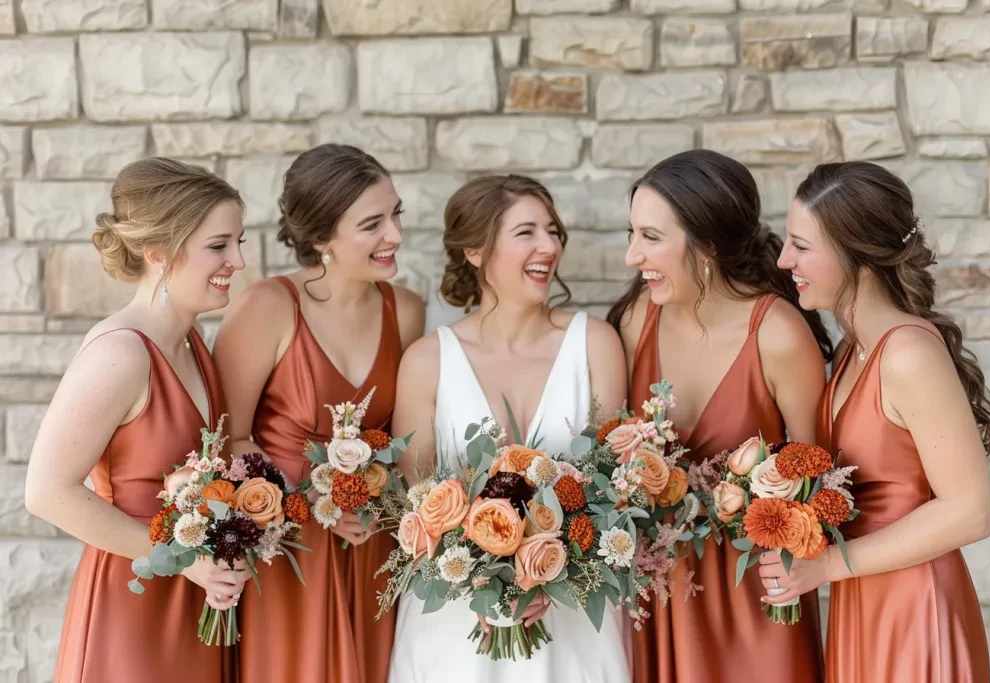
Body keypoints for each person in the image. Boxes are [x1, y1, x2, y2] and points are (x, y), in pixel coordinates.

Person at [387, 174, 631, 682]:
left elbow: (614, 487)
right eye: (526, 233)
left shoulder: (596, 344)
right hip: (456, 621)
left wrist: (543, 572)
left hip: (572, 621)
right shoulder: (427, 359)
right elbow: (416, 504)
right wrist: (483, 578)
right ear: (475, 251)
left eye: (553, 230)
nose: (549, 246)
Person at [765, 160, 990, 682]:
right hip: (864, 597)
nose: (784, 260)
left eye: (802, 246)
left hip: (914, 606)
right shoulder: (853, 350)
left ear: (856, 255)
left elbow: (970, 512)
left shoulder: (907, 355)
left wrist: (826, 567)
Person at [608, 149, 834, 683]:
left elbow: (821, 483)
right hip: (656, 594)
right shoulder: (637, 320)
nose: (631, 256)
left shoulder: (777, 335)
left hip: (753, 601)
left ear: (706, 243)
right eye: (632, 233)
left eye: (651, 237)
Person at [25, 158, 249, 682]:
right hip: (134, 603)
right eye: (218, 246)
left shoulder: (194, 344)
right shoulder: (121, 354)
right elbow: (46, 492)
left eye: (238, 241)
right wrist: (178, 556)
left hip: (197, 599)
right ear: (158, 254)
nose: (238, 260)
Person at [213, 144, 424, 683]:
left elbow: (410, 442)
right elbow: (226, 438)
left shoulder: (408, 311)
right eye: (372, 224)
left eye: (396, 214)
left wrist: (387, 504)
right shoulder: (269, 306)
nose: (395, 235)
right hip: (287, 550)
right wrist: (312, 502)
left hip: (373, 544)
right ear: (320, 238)